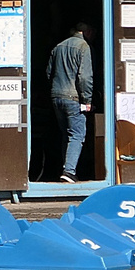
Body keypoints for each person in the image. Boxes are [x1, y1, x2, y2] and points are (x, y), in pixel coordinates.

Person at [47, 22, 94, 182]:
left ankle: (65, 168)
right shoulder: (83, 46)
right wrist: (87, 99)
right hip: (74, 98)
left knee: (66, 133)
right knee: (77, 134)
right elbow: (85, 77)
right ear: (86, 31)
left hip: (56, 96)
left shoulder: (58, 47)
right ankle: (69, 171)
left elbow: (49, 73)